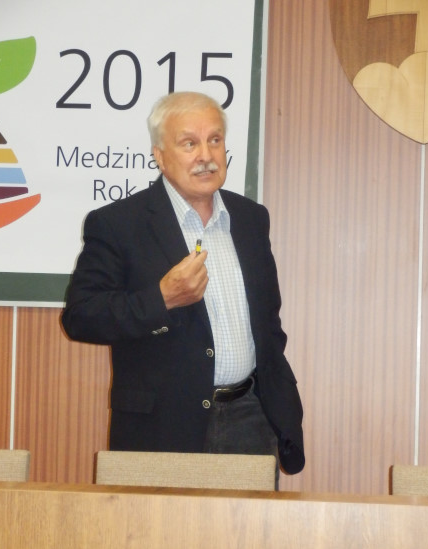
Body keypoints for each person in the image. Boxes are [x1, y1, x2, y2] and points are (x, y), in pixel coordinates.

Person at [62, 91, 304, 477]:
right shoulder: (118, 224)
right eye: (189, 143)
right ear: (159, 156)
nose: (206, 155)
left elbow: (268, 325)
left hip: (250, 419)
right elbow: (81, 317)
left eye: (215, 140)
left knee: (248, 521)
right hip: (161, 425)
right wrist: (161, 299)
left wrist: (279, 404)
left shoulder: (251, 219)